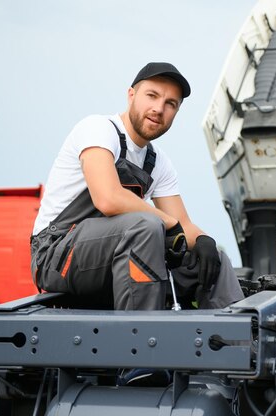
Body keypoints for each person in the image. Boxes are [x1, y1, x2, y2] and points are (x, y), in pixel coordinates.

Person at [30, 62, 244, 310]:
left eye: (170, 104)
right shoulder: (98, 129)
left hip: (114, 257)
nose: (158, 109)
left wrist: (205, 240)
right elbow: (108, 199)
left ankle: (236, 337)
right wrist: (168, 223)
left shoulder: (158, 162)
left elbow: (182, 224)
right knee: (146, 227)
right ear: (131, 95)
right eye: (152, 96)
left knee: (212, 256)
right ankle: (142, 336)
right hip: (56, 255)